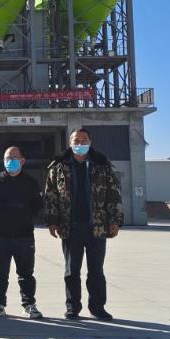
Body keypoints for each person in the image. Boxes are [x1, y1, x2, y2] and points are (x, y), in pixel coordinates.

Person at [44, 127, 124, 320]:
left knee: (96, 270)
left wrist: (115, 221)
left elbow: (113, 194)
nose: (80, 144)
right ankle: (73, 307)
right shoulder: (58, 166)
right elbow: (51, 196)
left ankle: (97, 307)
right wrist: (52, 221)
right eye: (76, 140)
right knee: (71, 271)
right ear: (70, 142)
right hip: (70, 227)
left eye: (84, 140)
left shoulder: (102, 165)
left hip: (97, 226)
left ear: (90, 142)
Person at [0, 146, 43, 319]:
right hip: (1, 235)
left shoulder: (31, 182)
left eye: (14, 158)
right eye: (7, 158)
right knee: (0, 273)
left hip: (24, 235)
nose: (11, 161)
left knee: (26, 273)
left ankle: (29, 305)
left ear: (22, 161)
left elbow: (37, 205)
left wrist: (22, 214)